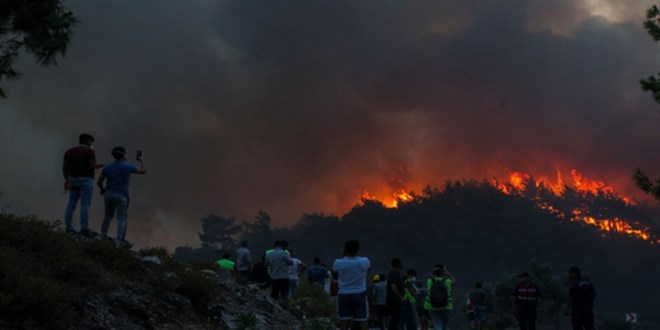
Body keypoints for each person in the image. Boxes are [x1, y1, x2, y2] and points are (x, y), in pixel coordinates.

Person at [97, 146, 145, 244]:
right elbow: (143, 171)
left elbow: (100, 180)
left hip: (109, 193)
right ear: (124, 155)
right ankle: (119, 239)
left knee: (108, 215)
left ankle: (103, 234)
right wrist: (141, 160)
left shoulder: (107, 166)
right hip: (121, 195)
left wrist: (102, 189)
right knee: (121, 217)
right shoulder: (127, 166)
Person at [63, 133, 103, 236]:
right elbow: (93, 166)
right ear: (87, 141)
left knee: (71, 204)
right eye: (91, 141)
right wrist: (103, 165)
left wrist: (67, 179)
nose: (91, 144)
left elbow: (64, 167)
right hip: (86, 180)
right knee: (85, 204)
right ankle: (84, 228)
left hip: (72, 180)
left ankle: (69, 227)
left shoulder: (69, 152)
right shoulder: (90, 151)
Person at [332, 240, 371, 330]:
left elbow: (335, 274)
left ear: (345, 250)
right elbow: (368, 269)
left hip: (343, 293)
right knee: (363, 319)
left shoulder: (338, 262)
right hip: (359, 293)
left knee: (344, 320)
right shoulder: (364, 261)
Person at [423, 264, 456, 330]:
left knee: (437, 323)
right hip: (446, 305)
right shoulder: (447, 281)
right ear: (443, 272)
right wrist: (448, 273)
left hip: (432, 305)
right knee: (445, 324)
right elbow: (454, 282)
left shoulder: (429, 281)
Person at [385, 257, 404, 330]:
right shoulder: (393, 274)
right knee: (395, 318)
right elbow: (393, 286)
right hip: (394, 300)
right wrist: (401, 297)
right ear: (399, 265)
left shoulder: (396, 274)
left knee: (395, 318)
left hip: (394, 300)